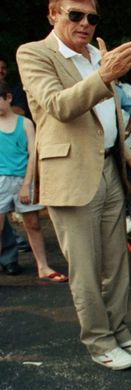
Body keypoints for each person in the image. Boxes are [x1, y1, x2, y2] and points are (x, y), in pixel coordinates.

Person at [17, 0, 131, 370]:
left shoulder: (100, 53)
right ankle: (99, 342)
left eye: (92, 17)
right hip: (70, 174)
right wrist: (104, 75)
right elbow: (59, 106)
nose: (85, 24)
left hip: (110, 168)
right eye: (74, 15)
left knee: (116, 262)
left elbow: (109, 115)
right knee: (85, 266)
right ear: (52, 14)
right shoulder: (34, 53)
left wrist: (128, 155)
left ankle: (119, 332)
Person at [0, 79, 68, 283]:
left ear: (8, 98)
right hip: (1, 180)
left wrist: (26, 183)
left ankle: (43, 266)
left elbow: (33, 154)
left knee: (33, 224)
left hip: (24, 177)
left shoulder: (25, 122)